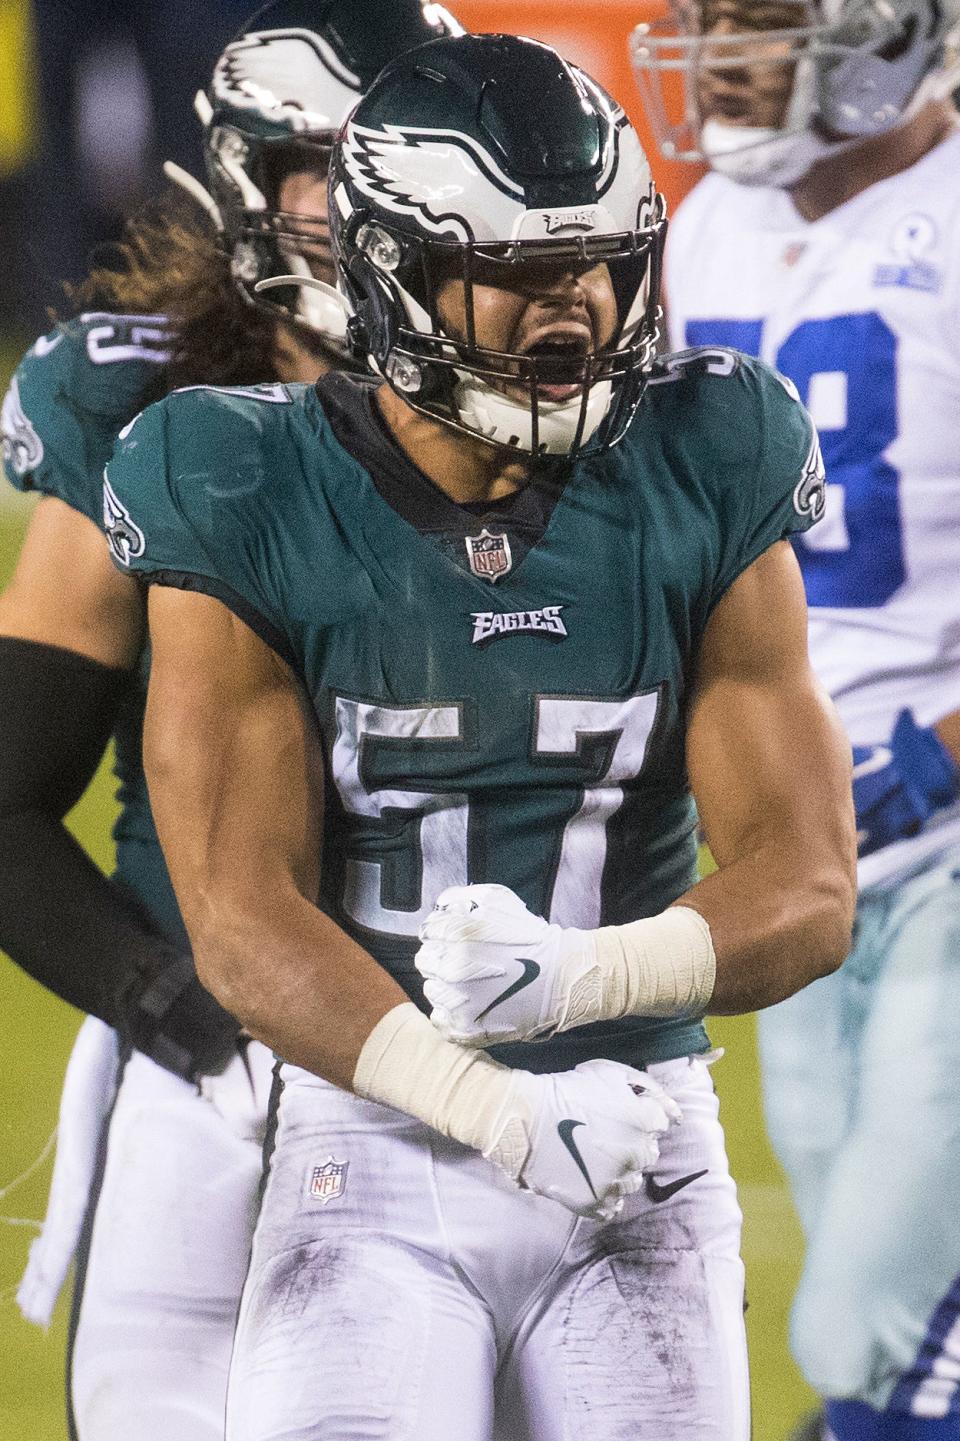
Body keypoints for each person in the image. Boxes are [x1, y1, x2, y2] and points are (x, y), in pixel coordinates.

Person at [104, 30, 855, 1441]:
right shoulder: (236, 471)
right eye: (513, 270)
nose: (572, 306)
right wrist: (493, 1108)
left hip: (641, 1133)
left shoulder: (710, 448)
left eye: (597, 263)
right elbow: (241, 916)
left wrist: (585, 975)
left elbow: (810, 883)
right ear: (391, 272)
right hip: (373, 1139)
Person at [0, 3, 461, 1438]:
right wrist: (169, 1004)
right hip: (222, 1077)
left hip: (493, 1074)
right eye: (328, 162)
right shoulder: (130, 397)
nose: (357, 200)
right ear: (256, 176)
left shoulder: (584, 405)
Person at [631, 2, 960, 1437]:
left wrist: (935, 757)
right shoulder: (705, 230)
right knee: (872, 1306)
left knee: (868, 1323)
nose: (722, 54)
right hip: (802, 850)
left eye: (757, 17)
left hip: (942, 825)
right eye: (705, 18)